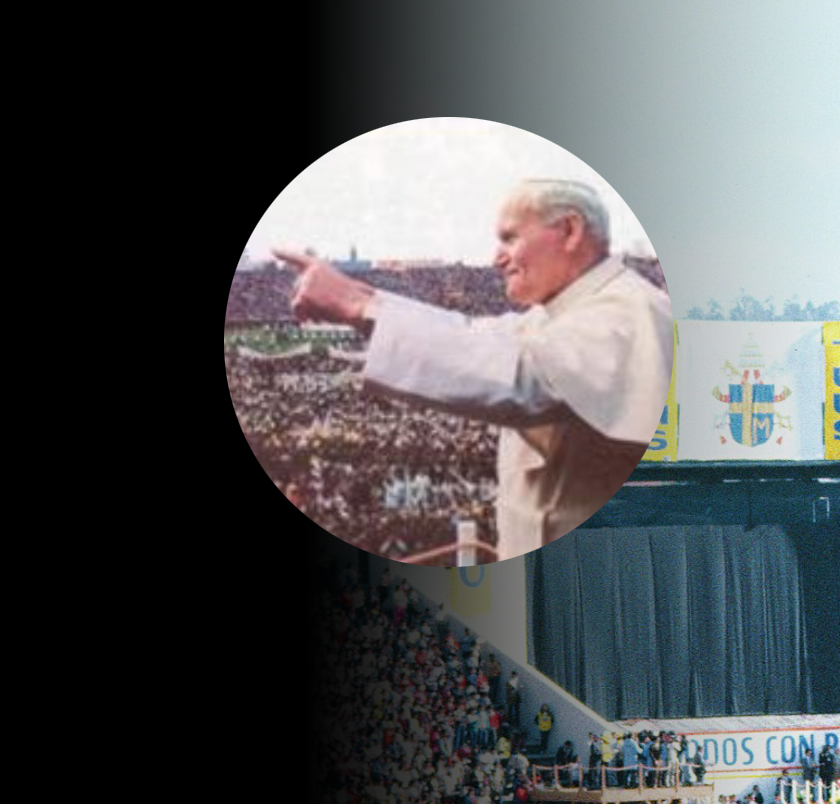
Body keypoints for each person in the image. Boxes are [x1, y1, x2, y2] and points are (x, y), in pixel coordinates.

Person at [277, 178, 674, 558]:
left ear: (570, 230)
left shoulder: (627, 310)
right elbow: (481, 336)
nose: (496, 258)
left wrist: (357, 305)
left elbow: (525, 377)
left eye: (510, 237)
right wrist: (366, 299)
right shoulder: (563, 311)